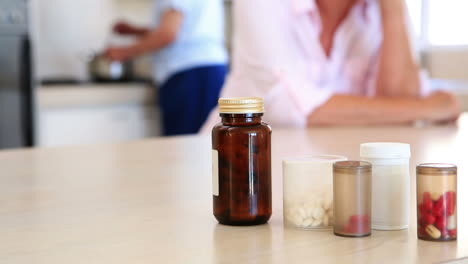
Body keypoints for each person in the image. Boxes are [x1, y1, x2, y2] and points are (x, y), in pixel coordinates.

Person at [202, 0, 460, 130]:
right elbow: (285, 106)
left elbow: (400, 110)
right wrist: (427, 107)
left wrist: (393, 9)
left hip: (338, 171)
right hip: (237, 171)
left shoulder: (374, 11)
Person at [106, 0, 228, 136]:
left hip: (188, 74)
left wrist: (124, 52)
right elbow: (181, 29)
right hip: (208, 71)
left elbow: (167, 35)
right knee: (202, 141)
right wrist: (135, 31)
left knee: (184, 145)